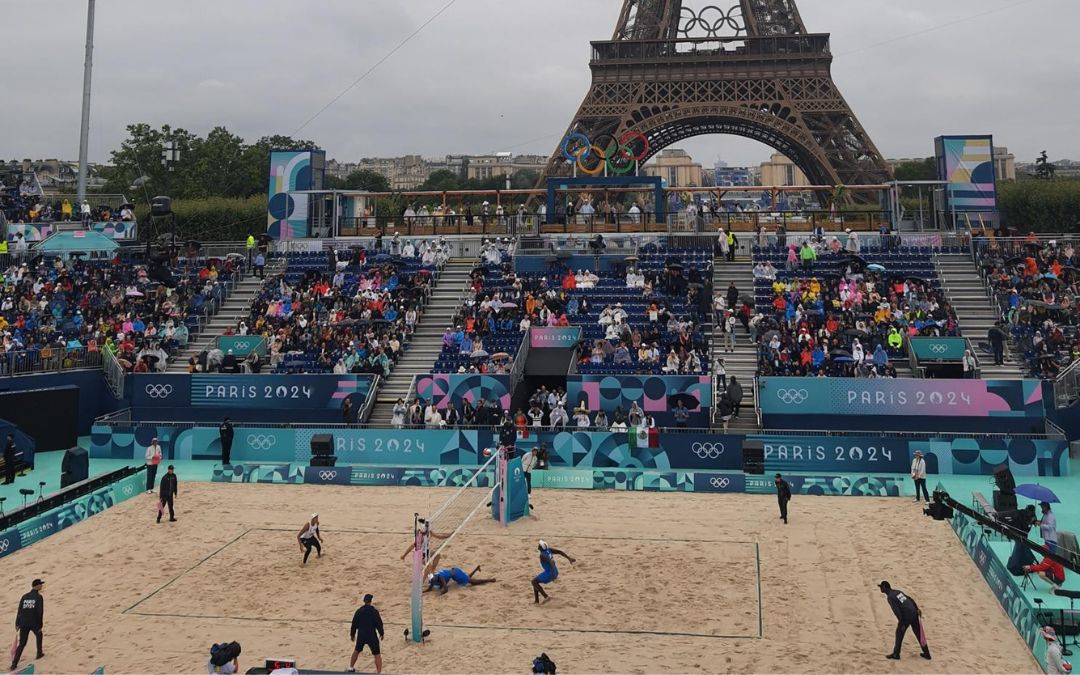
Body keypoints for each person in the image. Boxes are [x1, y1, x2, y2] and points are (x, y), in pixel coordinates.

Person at [879, 581, 930, 660]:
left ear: (885, 587)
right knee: (919, 633)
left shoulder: (890, 597)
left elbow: (897, 611)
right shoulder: (897, 591)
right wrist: (916, 609)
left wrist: (902, 623)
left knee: (899, 633)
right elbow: (910, 599)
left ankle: (896, 654)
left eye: (881, 587)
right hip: (913, 612)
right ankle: (927, 653)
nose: (880, 589)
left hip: (907, 615)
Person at [9, 579, 44, 671]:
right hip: (33, 623)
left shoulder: (24, 596)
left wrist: (17, 623)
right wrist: (40, 625)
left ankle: (14, 664)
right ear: (36, 586)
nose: (41, 586)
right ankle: (39, 653)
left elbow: (19, 610)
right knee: (39, 634)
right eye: (40, 584)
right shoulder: (39, 597)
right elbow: (39, 612)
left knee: (22, 644)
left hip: (23, 623)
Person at [423, 554, 496, 594]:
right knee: (467, 578)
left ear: (434, 578)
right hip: (454, 571)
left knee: (472, 582)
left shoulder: (440, 577)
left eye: (432, 581)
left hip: (456, 574)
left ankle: (490, 580)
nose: (431, 582)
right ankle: (476, 569)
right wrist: (425, 591)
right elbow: (431, 587)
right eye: (431, 581)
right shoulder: (434, 578)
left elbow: (446, 589)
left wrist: (440, 593)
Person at [348, 594, 384, 674]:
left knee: (356, 651)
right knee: (377, 654)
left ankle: (351, 667)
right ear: (371, 601)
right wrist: (381, 633)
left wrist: (352, 634)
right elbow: (379, 623)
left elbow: (354, 624)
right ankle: (379, 672)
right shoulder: (374, 611)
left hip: (361, 635)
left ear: (364, 601)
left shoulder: (359, 611)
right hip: (372, 635)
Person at [531, 540, 575, 604]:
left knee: (534, 582)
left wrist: (553, 576)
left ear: (540, 547)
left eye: (539, 545)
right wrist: (569, 558)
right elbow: (559, 552)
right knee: (535, 581)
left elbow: (550, 562)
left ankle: (546, 597)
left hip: (550, 573)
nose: (538, 546)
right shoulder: (548, 550)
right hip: (555, 571)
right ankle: (536, 601)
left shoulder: (542, 555)